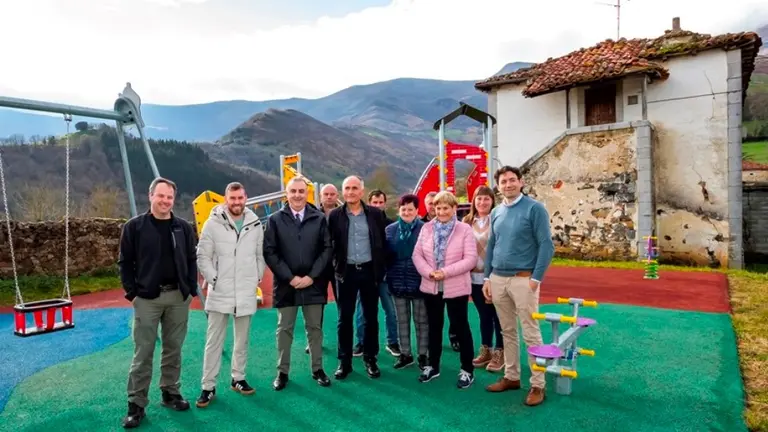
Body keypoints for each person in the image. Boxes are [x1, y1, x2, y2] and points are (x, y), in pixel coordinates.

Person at [118, 177, 199, 429]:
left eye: (169, 197)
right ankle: (136, 404)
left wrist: (189, 288)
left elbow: (191, 258)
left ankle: (170, 393)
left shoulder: (183, 227)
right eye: (161, 196)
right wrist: (133, 293)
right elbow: (125, 263)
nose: (165, 201)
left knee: (173, 348)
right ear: (150, 196)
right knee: (143, 352)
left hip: (178, 297)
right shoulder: (134, 227)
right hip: (147, 298)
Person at [482, 166, 555, 407]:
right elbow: (492, 245)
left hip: (524, 279)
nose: (508, 184)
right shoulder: (496, 212)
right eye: (503, 181)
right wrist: (486, 278)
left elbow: (546, 245)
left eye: (512, 180)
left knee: (531, 332)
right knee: (507, 331)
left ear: (521, 182)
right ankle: (511, 377)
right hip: (498, 279)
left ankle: (537, 384)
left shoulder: (535, 209)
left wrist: (536, 279)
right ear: (498, 186)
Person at [195, 182, 266, 408]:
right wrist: (214, 279)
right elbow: (202, 256)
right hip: (220, 291)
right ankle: (208, 386)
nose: (236, 202)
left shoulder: (255, 224)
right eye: (232, 198)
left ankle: (238, 378)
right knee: (214, 341)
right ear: (226, 199)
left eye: (240, 198)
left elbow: (260, 254)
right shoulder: (212, 223)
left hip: (245, 291)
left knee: (242, 339)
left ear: (246, 198)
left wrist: (255, 277)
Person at [263, 176, 334, 390]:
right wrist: (290, 277)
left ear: (307, 193)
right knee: (284, 329)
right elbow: (269, 251)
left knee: (315, 328)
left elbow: (327, 249)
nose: (297, 195)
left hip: (313, 283)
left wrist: (311, 276)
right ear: (287, 193)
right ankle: (282, 372)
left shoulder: (319, 218)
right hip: (287, 285)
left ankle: (318, 369)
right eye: (293, 191)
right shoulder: (275, 220)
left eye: (301, 191)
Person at [411, 191, 477, 388]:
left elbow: (470, 259)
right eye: (438, 208)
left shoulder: (464, 229)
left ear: (454, 209)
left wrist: (444, 273)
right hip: (431, 286)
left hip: (456, 287)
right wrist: (429, 272)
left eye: (445, 208)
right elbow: (417, 254)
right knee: (433, 327)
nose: (441, 211)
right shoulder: (427, 229)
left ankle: (467, 370)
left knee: (460, 327)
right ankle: (433, 366)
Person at [327, 175, 389, 379]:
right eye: (347, 188)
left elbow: (383, 242)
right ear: (342, 191)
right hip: (346, 273)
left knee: (371, 318)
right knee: (344, 319)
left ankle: (370, 359)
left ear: (362, 191)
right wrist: (337, 266)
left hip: (370, 272)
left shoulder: (375, 215)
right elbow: (330, 245)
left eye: (355, 188)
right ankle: (344, 362)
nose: (351, 192)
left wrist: (380, 268)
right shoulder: (335, 216)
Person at [352, 189, 400, 357]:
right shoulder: (361, 222)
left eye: (381, 202)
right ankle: (361, 342)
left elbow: (393, 252)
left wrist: (387, 271)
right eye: (375, 202)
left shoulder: (392, 225)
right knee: (361, 311)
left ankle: (392, 342)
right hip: (365, 275)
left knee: (390, 310)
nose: (378, 205)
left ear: (385, 204)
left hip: (384, 276)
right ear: (369, 202)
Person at [384, 194, 429, 370]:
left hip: (419, 281)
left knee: (421, 321)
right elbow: (386, 256)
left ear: (417, 211)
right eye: (404, 209)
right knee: (402, 320)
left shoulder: (425, 229)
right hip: (397, 281)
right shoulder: (390, 230)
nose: (407, 212)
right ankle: (405, 354)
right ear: (399, 210)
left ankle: (423, 355)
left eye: (410, 209)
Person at [463, 186, 504, 372]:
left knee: (498, 316)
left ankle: (500, 353)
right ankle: (485, 349)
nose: (482, 202)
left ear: (492, 201)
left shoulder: (497, 220)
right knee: (483, 315)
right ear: (474, 201)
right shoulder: (467, 221)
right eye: (479, 199)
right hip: (473, 277)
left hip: (493, 276)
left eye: (486, 199)